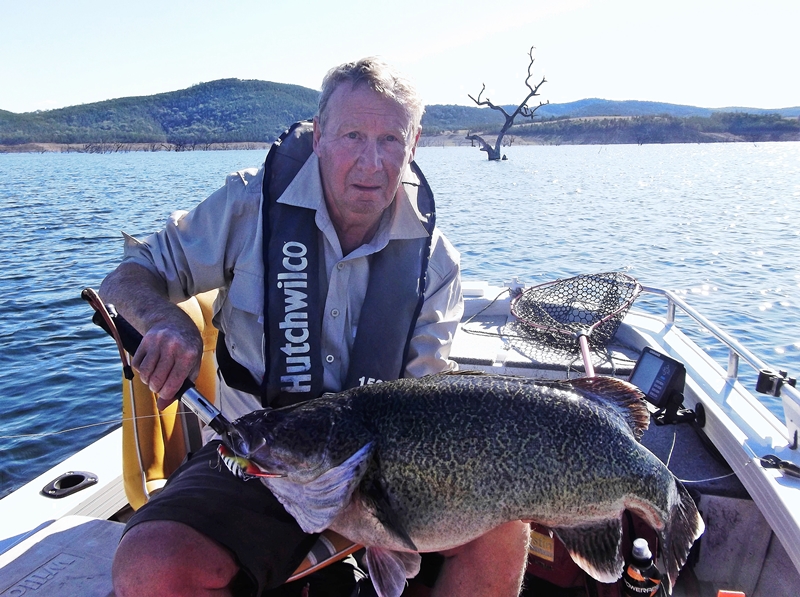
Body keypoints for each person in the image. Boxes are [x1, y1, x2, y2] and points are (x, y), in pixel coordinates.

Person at [102, 57, 530, 597]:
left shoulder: (435, 264)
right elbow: (126, 277)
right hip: (258, 461)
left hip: (378, 471)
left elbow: (424, 403)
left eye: (390, 140)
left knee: (506, 526)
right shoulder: (248, 206)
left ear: (414, 144)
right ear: (321, 135)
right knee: (150, 567)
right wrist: (164, 319)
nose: (371, 162)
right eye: (353, 136)